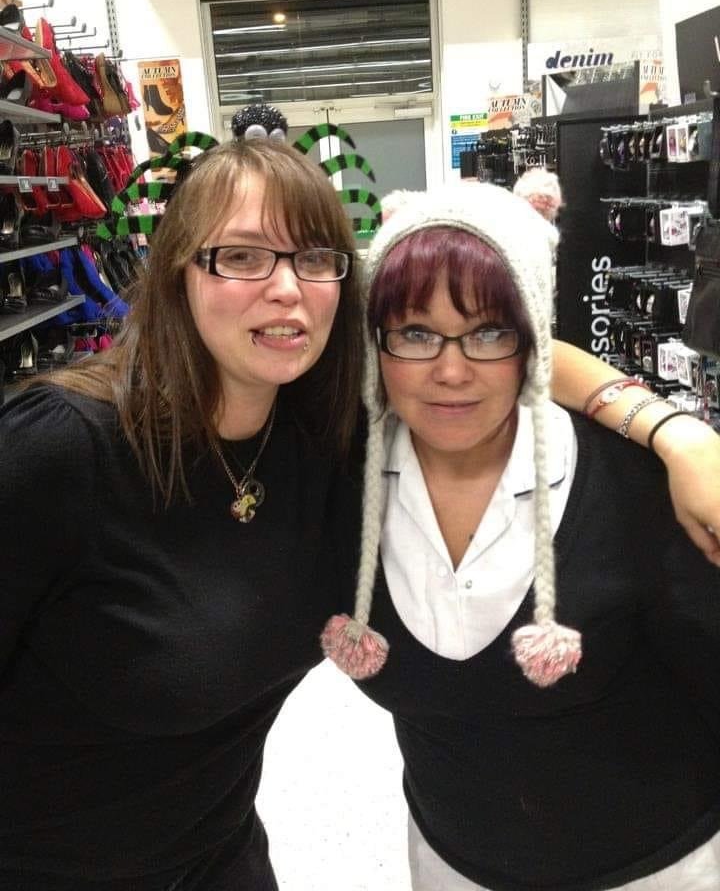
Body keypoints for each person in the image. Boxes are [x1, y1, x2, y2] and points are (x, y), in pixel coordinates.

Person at [0, 141, 719, 891]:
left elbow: (504, 331)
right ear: (177, 271)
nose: (285, 288)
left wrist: (676, 432)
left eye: (314, 258)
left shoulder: (318, 438)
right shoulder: (64, 450)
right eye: (242, 256)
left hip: (220, 858)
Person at [322, 184, 720, 891]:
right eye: (414, 333)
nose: (450, 371)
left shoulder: (635, 490)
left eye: (489, 332)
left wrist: (672, 431)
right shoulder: (340, 482)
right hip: (449, 862)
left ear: (532, 339)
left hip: (657, 869)